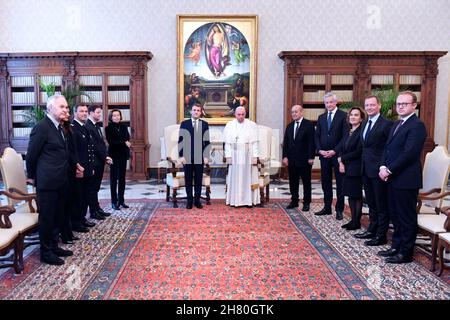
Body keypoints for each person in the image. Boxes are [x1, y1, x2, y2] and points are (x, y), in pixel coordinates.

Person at [378, 91, 427, 264]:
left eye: (404, 104)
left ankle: (405, 253)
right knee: (395, 215)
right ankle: (396, 246)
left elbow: (409, 154)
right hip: (392, 178)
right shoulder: (396, 124)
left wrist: (389, 170)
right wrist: (383, 166)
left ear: (414, 105)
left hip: (406, 179)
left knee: (406, 217)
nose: (400, 107)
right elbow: (387, 148)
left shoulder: (417, 125)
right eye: (398, 104)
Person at [26, 94, 73, 265]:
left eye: (67, 107)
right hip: (47, 182)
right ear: (50, 108)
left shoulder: (60, 127)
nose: (66, 110)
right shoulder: (42, 127)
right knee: (47, 217)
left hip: (61, 180)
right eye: (62, 107)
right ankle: (46, 253)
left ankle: (54, 246)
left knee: (57, 215)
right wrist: (31, 177)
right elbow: (31, 155)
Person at [354, 95, 393, 245]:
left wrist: (384, 167)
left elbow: (388, 149)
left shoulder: (386, 124)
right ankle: (372, 229)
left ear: (379, 106)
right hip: (365, 169)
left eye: (372, 105)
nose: (369, 107)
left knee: (381, 203)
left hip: (379, 170)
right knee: (371, 202)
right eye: (367, 105)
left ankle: (381, 235)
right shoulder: (364, 123)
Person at [314, 92, 348, 220]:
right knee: (325, 182)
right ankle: (327, 207)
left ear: (336, 102)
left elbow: (345, 136)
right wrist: (319, 150)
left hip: (338, 156)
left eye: (331, 102)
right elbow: (317, 135)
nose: (328, 104)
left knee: (340, 183)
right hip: (323, 156)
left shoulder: (344, 116)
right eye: (326, 102)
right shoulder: (321, 117)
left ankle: (339, 209)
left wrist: (335, 150)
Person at [223, 106, 260, 207]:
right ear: (235, 114)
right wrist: (228, 156)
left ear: (245, 114)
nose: (241, 116)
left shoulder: (252, 125)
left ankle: (248, 201)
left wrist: (255, 157)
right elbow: (227, 143)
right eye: (239, 114)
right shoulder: (229, 125)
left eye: (243, 114)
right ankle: (235, 200)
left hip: (247, 155)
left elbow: (255, 143)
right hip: (235, 156)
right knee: (235, 179)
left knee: (247, 178)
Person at [282, 105, 315, 211]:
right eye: (292, 112)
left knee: (306, 182)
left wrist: (311, 157)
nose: (294, 114)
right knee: (293, 181)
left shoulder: (309, 125)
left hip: (305, 159)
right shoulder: (289, 126)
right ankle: (294, 201)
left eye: (296, 112)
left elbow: (311, 142)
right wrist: (285, 156)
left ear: (301, 112)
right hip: (292, 159)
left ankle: (306, 202)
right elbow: (286, 143)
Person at [178, 103, 211, 209]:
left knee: (198, 179)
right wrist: (181, 156)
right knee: (188, 179)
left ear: (201, 112)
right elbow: (181, 141)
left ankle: (197, 201)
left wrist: (206, 156)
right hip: (187, 157)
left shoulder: (205, 124)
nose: (196, 112)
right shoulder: (184, 124)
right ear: (191, 111)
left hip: (199, 156)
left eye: (198, 110)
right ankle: (189, 201)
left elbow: (207, 141)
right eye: (194, 110)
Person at [338, 107, 365, 231]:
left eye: (356, 115)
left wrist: (342, 158)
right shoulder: (348, 131)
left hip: (356, 167)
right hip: (347, 168)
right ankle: (352, 220)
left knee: (356, 195)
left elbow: (359, 151)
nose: (353, 117)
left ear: (361, 118)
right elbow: (342, 149)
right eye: (351, 115)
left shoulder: (361, 132)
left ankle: (356, 222)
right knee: (349, 194)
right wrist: (341, 162)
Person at [71, 104, 96, 233]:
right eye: (81, 111)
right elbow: (73, 151)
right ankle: (76, 222)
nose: (84, 113)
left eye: (86, 111)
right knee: (78, 197)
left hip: (87, 168)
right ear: (75, 113)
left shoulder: (84, 127)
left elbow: (89, 150)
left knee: (85, 195)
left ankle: (82, 218)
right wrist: (77, 167)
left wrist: (90, 167)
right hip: (79, 169)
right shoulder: (73, 128)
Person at [85, 105, 112, 220]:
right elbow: (94, 146)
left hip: (99, 160)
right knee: (92, 188)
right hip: (94, 161)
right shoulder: (88, 126)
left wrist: (105, 156)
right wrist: (105, 157)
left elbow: (101, 143)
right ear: (91, 113)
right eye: (97, 113)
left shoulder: (96, 125)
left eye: (100, 113)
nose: (99, 115)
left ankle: (97, 208)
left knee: (96, 187)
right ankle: (93, 211)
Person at [105, 109, 131, 210]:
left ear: (120, 116)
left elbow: (127, 137)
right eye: (114, 116)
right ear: (111, 117)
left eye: (118, 115)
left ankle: (121, 200)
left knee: (122, 179)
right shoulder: (108, 128)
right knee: (113, 179)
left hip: (123, 155)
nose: (116, 117)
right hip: (113, 156)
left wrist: (124, 142)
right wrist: (123, 143)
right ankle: (113, 202)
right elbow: (112, 142)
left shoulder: (124, 127)